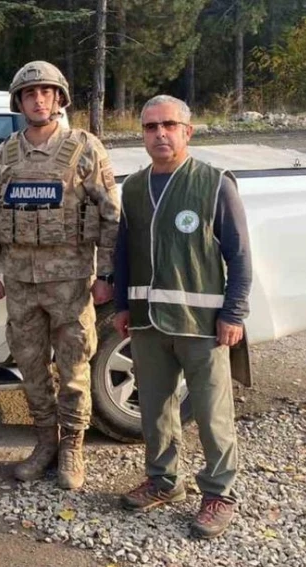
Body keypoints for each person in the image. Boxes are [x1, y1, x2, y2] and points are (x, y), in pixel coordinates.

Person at [114, 95, 252, 540]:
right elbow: (122, 254)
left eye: (169, 125)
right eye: (151, 127)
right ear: (143, 135)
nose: (160, 134)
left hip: (203, 325)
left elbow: (241, 257)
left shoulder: (213, 184)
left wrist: (234, 313)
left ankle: (219, 493)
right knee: (155, 408)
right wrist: (121, 306)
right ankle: (163, 481)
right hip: (148, 322)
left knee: (212, 413)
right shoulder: (133, 188)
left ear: (187, 131)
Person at [0, 61, 121, 489]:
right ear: (19, 102)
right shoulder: (3, 155)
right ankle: (45, 442)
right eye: (29, 93)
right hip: (20, 283)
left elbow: (111, 217)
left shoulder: (84, 149)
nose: (38, 99)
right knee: (30, 366)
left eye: (45, 92)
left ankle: (73, 448)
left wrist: (106, 274)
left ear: (59, 98)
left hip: (71, 282)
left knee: (75, 365)